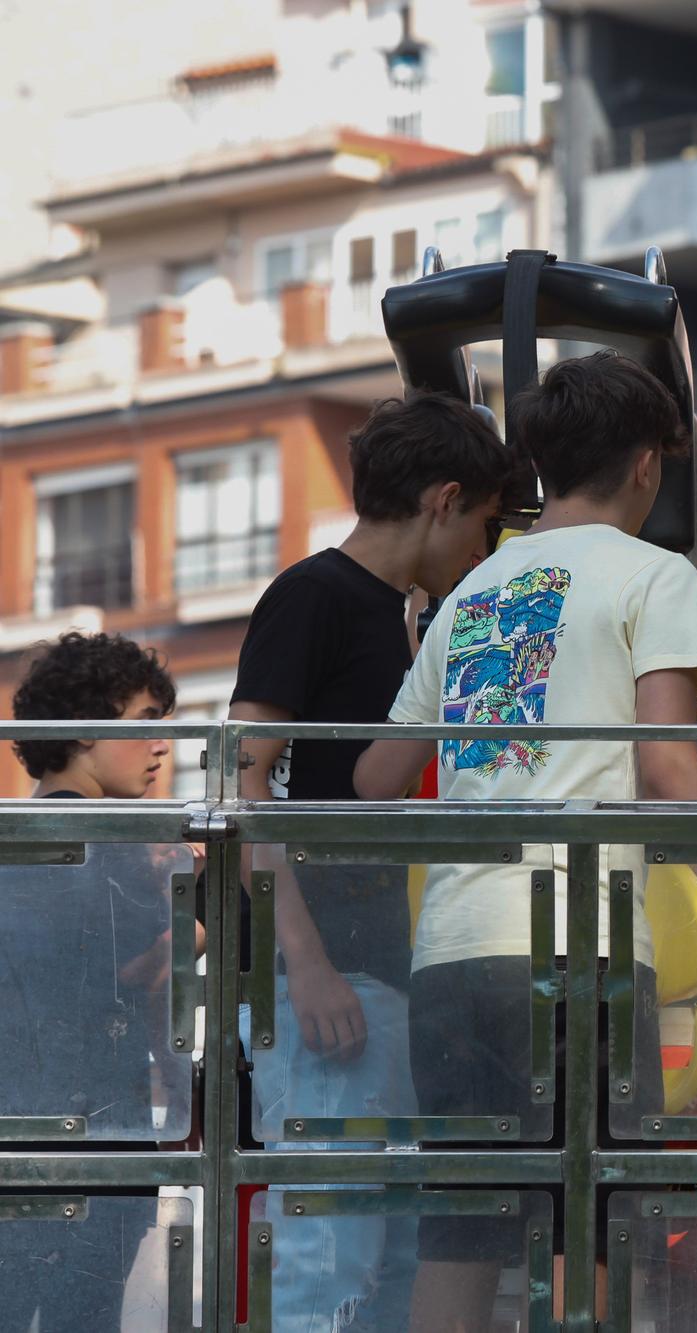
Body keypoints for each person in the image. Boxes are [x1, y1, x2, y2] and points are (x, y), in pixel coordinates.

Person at [352, 351, 697, 1325]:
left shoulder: (478, 588)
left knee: (460, 1232)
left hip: (452, 951)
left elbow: (373, 773)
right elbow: (668, 770)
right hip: (581, 954)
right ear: (647, 466)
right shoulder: (653, 575)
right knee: (587, 1234)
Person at [229, 391, 511, 1332]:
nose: (484, 546)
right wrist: (304, 961)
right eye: (483, 520)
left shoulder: (410, 618)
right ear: (444, 498)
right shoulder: (312, 595)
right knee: (327, 1256)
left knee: (385, 1265)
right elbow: (238, 782)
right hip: (321, 974)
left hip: (386, 968)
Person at [1, 632, 188, 1332]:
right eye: (144, 725)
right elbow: (138, 950)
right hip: (93, 1135)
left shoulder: (19, 833)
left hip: (35, 1125)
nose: (161, 747)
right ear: (81, 728)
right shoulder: (103, 839)